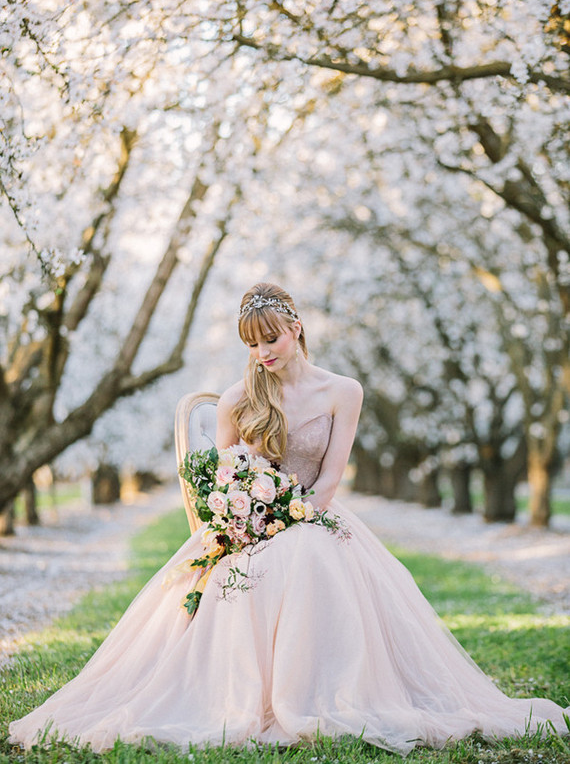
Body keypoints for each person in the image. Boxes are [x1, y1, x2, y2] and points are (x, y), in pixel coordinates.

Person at [8, 282, 570, 755]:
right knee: (273, 561)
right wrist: (249, 519)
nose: (262, 354)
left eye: (270, 339)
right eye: (252, 345)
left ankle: (325, 691)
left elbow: (329, 480)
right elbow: (220, 479)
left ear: (296, 327)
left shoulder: (343, 392)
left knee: (306, 551)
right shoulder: (237, 400)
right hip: (245, 530)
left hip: (316, 516)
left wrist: (291, 515)